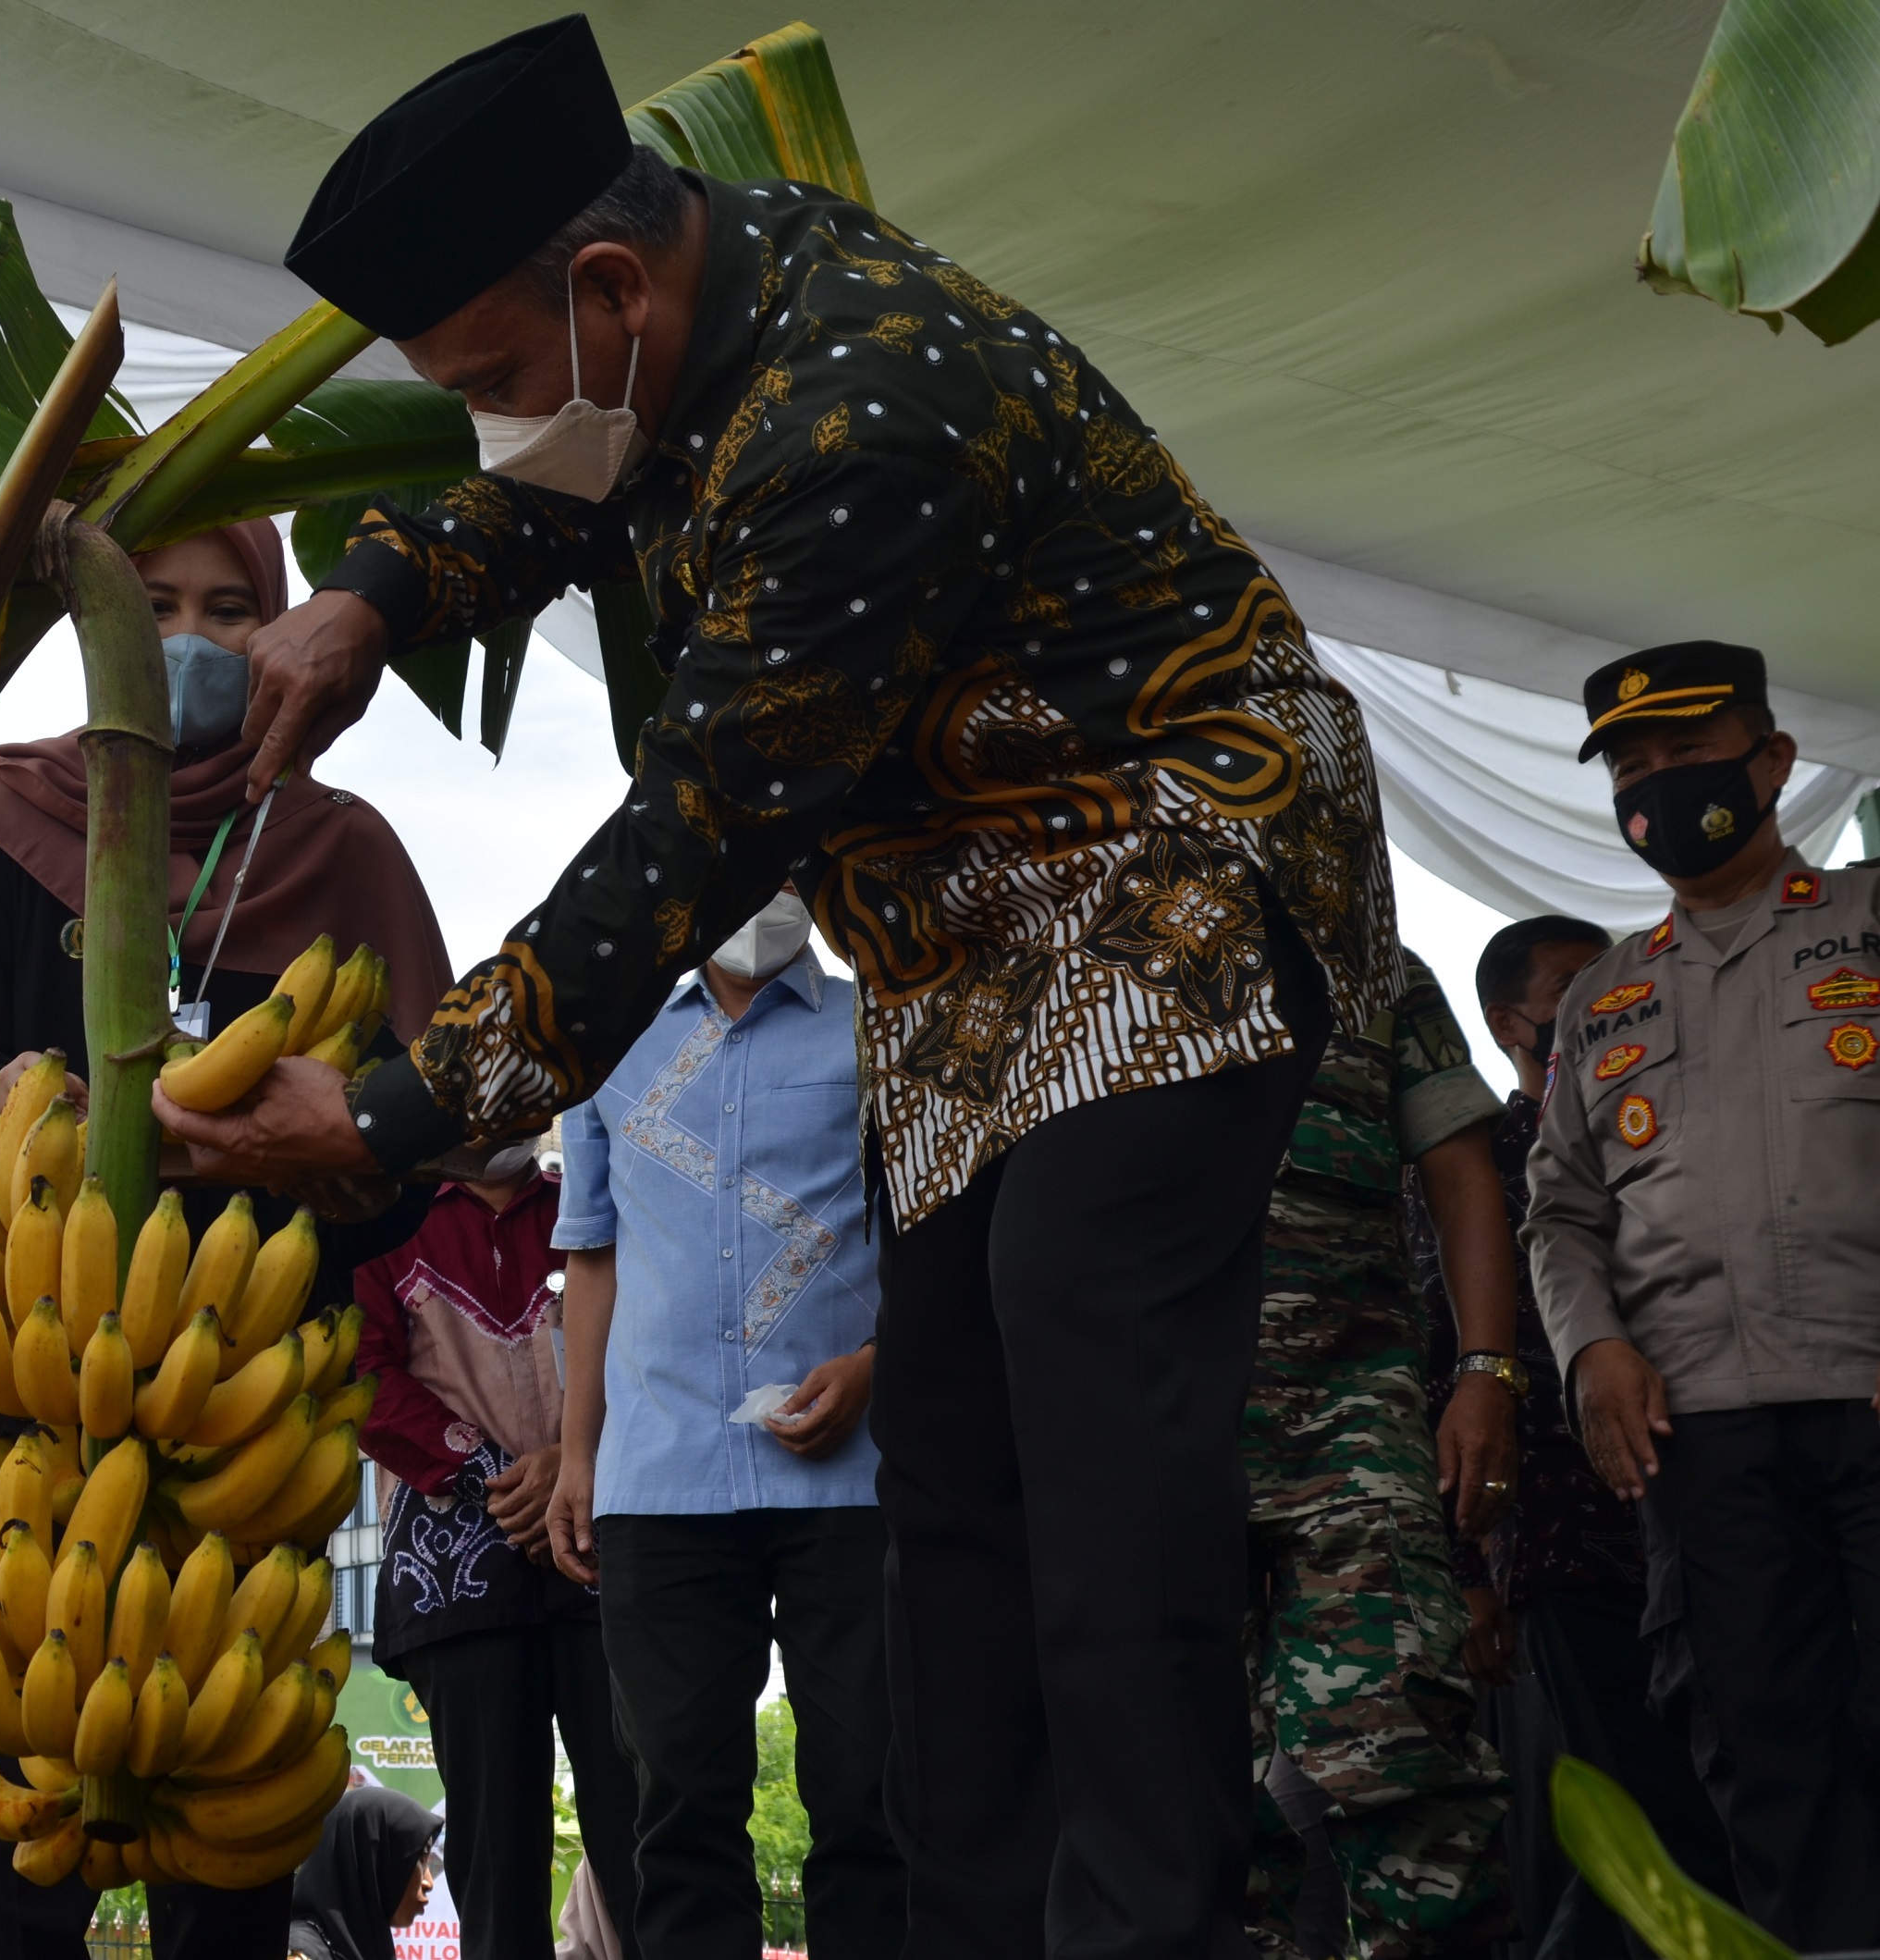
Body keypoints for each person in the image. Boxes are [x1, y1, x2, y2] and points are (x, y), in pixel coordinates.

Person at [154, 19, 1397, 1956]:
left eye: (489, 379)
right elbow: (554, 480)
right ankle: (985, 1927)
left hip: (1174, 871)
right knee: (956, 1494)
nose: (487, 424)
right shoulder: (701, 309)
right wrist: (373, 594)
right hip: (964, 947)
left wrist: (400, 1110)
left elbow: (692, 838)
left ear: (607, 287)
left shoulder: (859, 413)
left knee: (1095, 1433)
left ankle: (1156, 1923)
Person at [0, 520, 451, 1960]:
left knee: (228, 1815)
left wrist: (340, 1161)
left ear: (279, 629)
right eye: (150, 609)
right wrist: (13, 1104)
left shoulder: (340, 856)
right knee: (9, 1807)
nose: (191, 643)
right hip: (23, 1388)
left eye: (228, 609)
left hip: (241, 1392)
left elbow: (417, 1126)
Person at [1524, 641, 1880, 1950]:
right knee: (1764, 1753)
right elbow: (1559, 1209)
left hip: (1867, 1383)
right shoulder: (1605, 993)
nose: (1658, 787)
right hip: (1699, 1429)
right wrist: (1592, 1349)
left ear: (1771, 761)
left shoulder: (1869, 917)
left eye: (1686, 755)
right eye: (1633, 768)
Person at [545, 892, 900, 1960]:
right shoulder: (604, 1047)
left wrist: (879, 1368)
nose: (767, 893)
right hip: (659, 1479)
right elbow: (591, 1257)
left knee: (869, 1798)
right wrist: (575, 1453)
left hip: (852, 1482)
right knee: (680, 1810)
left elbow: (926, 1227)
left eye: (789, 865)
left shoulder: (874, 1026)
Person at [1415, 916, 1730, 1958]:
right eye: (1571, 983)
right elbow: (1440, 1361)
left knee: (1715, 1801)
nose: (1603, 994)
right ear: (1507, 1022)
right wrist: (1469, 1567)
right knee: (1644, 1823)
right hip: (1560, 1536)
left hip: (1698, 1504)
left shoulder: (1659, 1127)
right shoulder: (1475, 1162)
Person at [1244, 949, 1516, 1957]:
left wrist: (1486, 1369)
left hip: (1350, 1425)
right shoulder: (1099, 951)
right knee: (1182, 1796)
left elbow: (1459, 1177)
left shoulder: (1372, 966)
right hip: (1148, 1434)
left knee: (1404, 1757)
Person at [352, 1147, 641, 1960]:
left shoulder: (593, 1199)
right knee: (494, 1850)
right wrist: (490, 1469)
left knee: (645, 1830)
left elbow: (653, 1332)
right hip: (459, 1576)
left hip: (603, 1545)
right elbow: (359, 1370)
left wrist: (571, 1458)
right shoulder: (387, 1219)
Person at [284, 1784, 443, 1960]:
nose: (428, 1882)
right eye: (419, 1859)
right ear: (373, 1860)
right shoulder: (302, 1954)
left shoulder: (362, 1948)